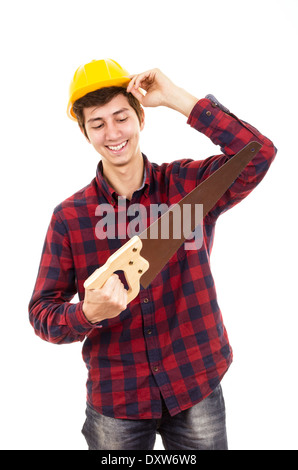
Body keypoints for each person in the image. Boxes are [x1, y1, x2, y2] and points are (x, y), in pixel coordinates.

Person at [29, 59, 277, 450]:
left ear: (141, 117)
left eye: (121, 117)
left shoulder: (188, 189)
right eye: (97, 123)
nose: (113, 133)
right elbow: (42, 313)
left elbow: (258, 153)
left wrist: (178, 98)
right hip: (117, 400)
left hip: (195, 383)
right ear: (84, 132)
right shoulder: (69, 217)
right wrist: (87, 313)